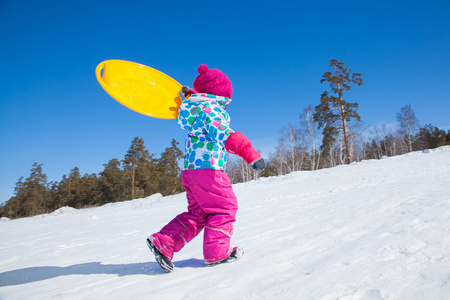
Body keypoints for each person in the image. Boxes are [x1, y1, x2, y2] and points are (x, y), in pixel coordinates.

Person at [147, 64, 265, 272]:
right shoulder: (212, 111)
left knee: (198, 213)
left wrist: (191, 95)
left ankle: (165, 241)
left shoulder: (196, 109)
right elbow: (224, 133)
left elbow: (198, 109)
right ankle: (217, 254)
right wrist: (250, 153)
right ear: (221, 93)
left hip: (191, 172)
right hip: (208, 170)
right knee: (224, 208)